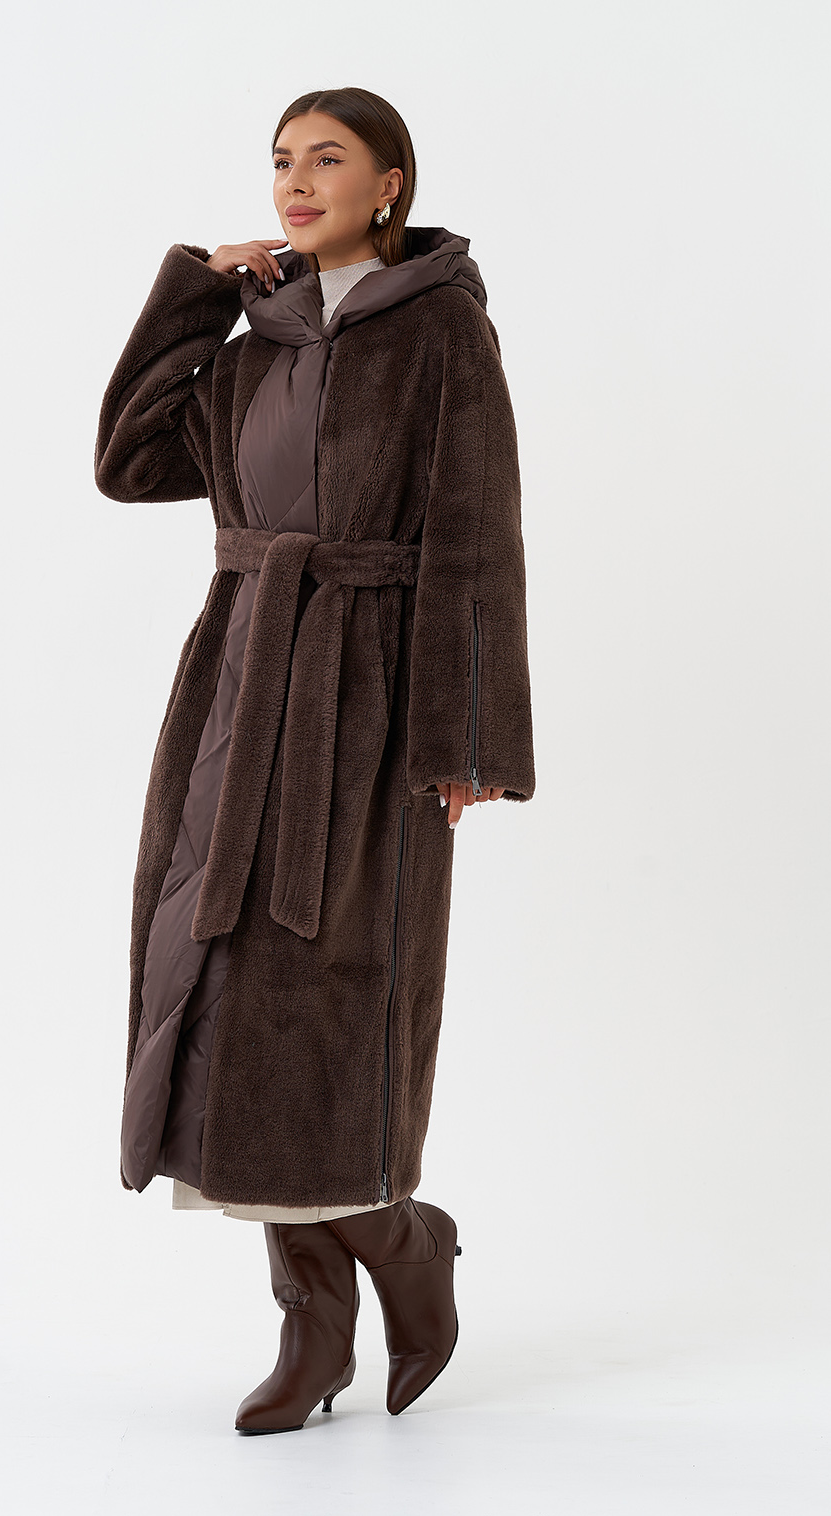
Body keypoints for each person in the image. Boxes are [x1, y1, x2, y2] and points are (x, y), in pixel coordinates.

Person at [94, 85, 536, 1434]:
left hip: (373, 702)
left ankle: (404, 1242)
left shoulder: (442, 330)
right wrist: (194, 294)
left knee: (330, 1004)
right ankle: (316, 1328)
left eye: (326, 159)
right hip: (239, 687)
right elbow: (128, 462)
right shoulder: (256, 339)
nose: (294, 182)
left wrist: (470, 737)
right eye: (281, 160)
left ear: (390, 183)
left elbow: (477, 532)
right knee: (230, 1002)